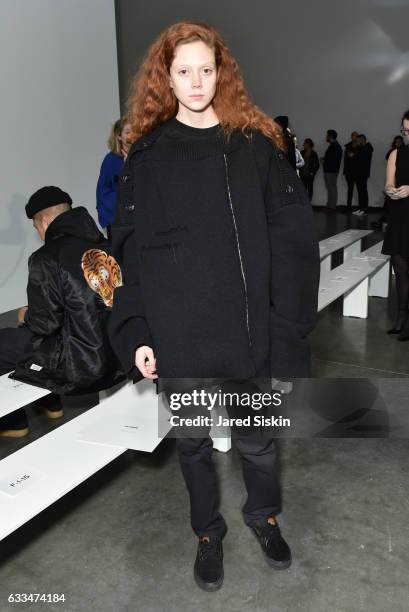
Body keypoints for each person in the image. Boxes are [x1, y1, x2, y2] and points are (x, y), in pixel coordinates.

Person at [109, 21, 319, 592]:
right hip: (181, 336)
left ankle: (264, 517)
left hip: (251, 333)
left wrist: (288, 330)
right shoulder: (146, 158)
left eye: (207, 69)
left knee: (258, 441)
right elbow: (128, 251)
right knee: (194, 443)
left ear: (221, 72)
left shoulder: (255, 146)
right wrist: (137, 331)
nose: (197, 81)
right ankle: (208, 532)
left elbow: (293, 246)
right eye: (183, 71)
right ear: (167, 79)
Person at [0, 187, 124, 438]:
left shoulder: (46, 257)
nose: (38, 233)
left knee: (5, 341)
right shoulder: (106, 246)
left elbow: (44, 325)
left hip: (82, 365)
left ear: (44, 221)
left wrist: (27, 315)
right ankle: (49, 402)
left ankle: (12, 422)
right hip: (118, 353)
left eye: (36, 227)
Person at [382, 110, 409, 340]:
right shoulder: (396, 154)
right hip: (401, 215)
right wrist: (391, 190)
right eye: (405, 131)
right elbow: (388, 183)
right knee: (399, 267)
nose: (407, 135)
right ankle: (401, 317)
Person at [96, 118, 133, 237]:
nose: (132, 136)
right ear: (119, 136)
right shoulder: (111, 160)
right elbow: (102, 193)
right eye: (127, 132)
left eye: (135, 131)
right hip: (118, 221)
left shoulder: (143, 156)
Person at [372, 136, 404, 230]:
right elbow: (387, 157)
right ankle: (384, 221)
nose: (397, 143)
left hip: (401, 181)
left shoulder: (404, 152)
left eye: (399, 141)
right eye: (396, 141)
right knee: (389, 202)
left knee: (393, 204)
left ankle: (385, 221)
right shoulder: (394, 152)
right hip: (394, 181)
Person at [352, 134, 374, 216]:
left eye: (358, 141)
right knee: (360, 191)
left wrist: (354, 156)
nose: (357, 142)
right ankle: (361, 208)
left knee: (363, 191)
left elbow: (362, 160)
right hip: (359, 173)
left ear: (362, 140)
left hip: (363, 173)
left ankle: (364, 209)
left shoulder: (367, 148)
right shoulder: (362, 148)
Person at [322, 129, 343, 211]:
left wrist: (324, 161)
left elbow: (333, 159)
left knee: (332, 188)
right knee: (331, 188)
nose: (326, 137)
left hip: (331, 170)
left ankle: (332, 206)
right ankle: (330, 205)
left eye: (327, 135)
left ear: (330, 136)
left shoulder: (335, 146)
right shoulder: (334, 145)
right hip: (331, 170)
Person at [343, 131, 359, 209]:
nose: (354, 138)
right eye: (353, 136)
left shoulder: (360, 147)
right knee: (350, 189)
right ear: (351, 137)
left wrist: (354, 155)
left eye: (356, 136)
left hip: (358, 171)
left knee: (360, 190)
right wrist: (345, 171)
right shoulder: (348, 146)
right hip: (349, 171)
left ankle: (360, 207)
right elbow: (346, 159)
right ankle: (348, 206)